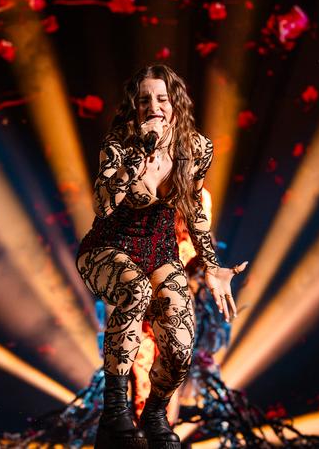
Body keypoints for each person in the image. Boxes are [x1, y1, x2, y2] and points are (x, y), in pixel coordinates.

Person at [76, 64, 248, 449]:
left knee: (181, 345)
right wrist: (136, 163)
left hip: (159, 252)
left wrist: (212, 265)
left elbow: (195, 210)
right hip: (108, 247)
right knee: (134, 290)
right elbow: (102, 207)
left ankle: (155, 414)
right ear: (135, 107)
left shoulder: (196, 149)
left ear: (175, 104)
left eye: (161, 98)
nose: (153, 106)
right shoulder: (119, 145)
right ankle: (115, 413)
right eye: (144, 100)